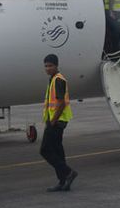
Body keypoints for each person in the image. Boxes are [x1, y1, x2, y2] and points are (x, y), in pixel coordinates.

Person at [40, 54, 78, 192]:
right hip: (55, 120)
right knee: (57, 150)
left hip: (57, 121)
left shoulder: (58, 80)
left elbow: (61, 103)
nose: (47, 68)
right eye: (46, 66)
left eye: (50, 66)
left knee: (45, 150)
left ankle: (68, 173)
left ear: (56, 66)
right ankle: (63, 182)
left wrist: (53, 121)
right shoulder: (53, 79)